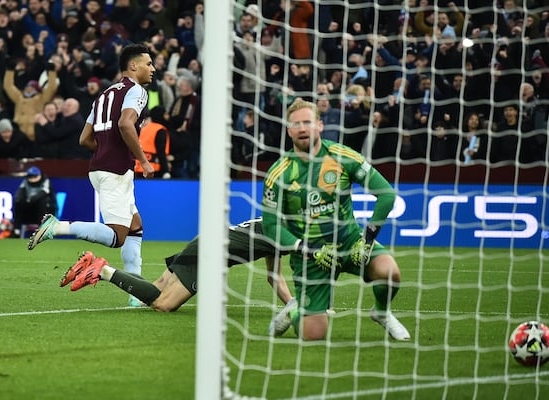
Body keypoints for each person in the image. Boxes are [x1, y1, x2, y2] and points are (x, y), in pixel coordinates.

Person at [262, 100, 410, 341]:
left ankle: (382, 312)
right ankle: (295, 310)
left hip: (350, 243)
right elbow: (270, 225)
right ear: (288, 130)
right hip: (311, 256)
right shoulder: (280, 173)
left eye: (308, 122)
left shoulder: (342, 156)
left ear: (319, 125)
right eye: (296, 124)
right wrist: (306, 249)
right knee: (314, 336)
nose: (302, 128)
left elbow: (386, 194)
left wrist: (367, 240)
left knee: (390, 272)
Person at [27, 43, 156, 308]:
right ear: (133, 66)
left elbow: (85, 138)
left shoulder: (104, 95)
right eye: (148, 63)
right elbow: (125, 123)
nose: (152, 68)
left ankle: (136, 294)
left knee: (135, 229)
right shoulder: (137, 91)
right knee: (117, 236)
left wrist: (107, 149)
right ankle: (58, 227)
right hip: (116, 171)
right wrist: (143, 159)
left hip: (99, 167)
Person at [58, 218, 294, 314]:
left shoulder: (273, 225)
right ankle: (102, 270)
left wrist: (293, 307)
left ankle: (94, 265)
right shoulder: (285, 231)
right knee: (163, 305)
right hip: (209, 255)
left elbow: (275, 278)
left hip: (205, 242)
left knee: (155, 290)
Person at [12, 166, 57, 238]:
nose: (32, 179)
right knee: (19, 203)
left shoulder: (45, 181)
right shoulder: (25, 182)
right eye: (30, 177)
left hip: (43, 213)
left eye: (34, 176)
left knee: (42, 201)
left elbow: (44, 193)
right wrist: (20, 199)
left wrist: (31, 199)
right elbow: (19, 193)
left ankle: (42, 231)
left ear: (39, 175)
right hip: (29, 212)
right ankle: (16, 231)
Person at [135, 105, 172, 179]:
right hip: (152, 167)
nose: (167, 116)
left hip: (138, 166)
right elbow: (161, 152)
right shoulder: (160, 130)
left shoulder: (144, 128)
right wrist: (165, 171)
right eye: (165, 114)